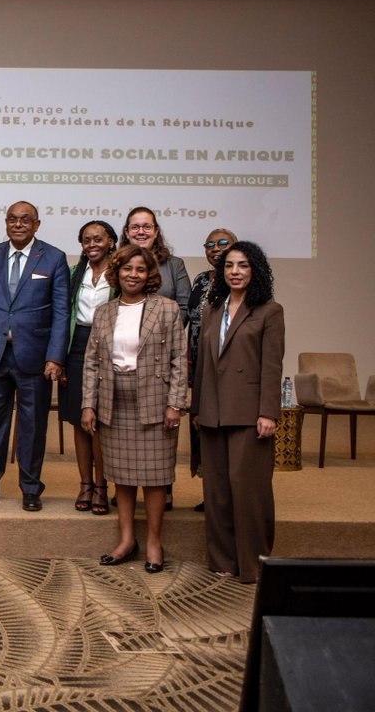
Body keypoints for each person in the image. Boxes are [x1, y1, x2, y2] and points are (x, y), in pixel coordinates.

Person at [81, 244, 187, 573]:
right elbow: (91, 363)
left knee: (155, 478)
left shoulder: (167, 309)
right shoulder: (105, 312)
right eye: (127, 269)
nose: (133, 275)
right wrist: (89, 404)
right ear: (118, 273)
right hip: (114, 403)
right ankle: (127, 539)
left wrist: (175, 404)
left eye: (140, 270)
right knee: (122, 478)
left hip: (155, 404)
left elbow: (179, 360)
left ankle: (154, 541)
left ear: (149, 274)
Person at [0, 201, 69, 512]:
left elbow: (62, 313)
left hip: (35, 358)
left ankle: (31, 488)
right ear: (6, 223)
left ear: (37, 224)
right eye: (12, 219)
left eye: (25, 220)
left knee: (32, 426)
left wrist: (55, 356)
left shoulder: (54, 258)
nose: (18, 224)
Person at [191, 241, 284, 584]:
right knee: (216, 491)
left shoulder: (270, 311)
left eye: (243, 265)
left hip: (250, 413)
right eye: (229, 265)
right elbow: (202, 364)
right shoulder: (212, 310)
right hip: (212, 412)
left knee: (248, 490)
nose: (235, 272)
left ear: (255, 270)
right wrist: (198, 407)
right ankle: (222, 560)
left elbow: (273, 366)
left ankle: (254, 564)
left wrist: (269, 413)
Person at [120, 205, 192, 511]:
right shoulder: (119, 262)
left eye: (146, 226)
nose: (140, 231)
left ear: (156, 231)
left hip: (161, 356)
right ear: (126, 232)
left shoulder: (173, 264)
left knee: (160, 432)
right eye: (135, 226)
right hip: (124, 357)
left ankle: (164, 489)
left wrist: (160, 336)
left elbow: (185, 305)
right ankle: (125, 487)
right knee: (127, 430)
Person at [60, 220, 118, 516]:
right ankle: (84, 484)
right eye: (86, 240)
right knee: (77, 419)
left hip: (110, 348)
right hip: (77, 346)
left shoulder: (121, 274)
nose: (92, 244)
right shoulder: (74, 273)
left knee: (101, 422)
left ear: (110, 241)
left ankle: (102, 486)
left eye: (98, 239)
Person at [185, 227, 238, 510]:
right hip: (198, 366)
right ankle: (213, 493)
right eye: (210, 244)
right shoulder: (201, 280)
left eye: (222, 243)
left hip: (226, 367)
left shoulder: (241, 281)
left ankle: (230, 494)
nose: (215, 248)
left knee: (225, 426)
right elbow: (190, 321)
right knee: (202, 427)